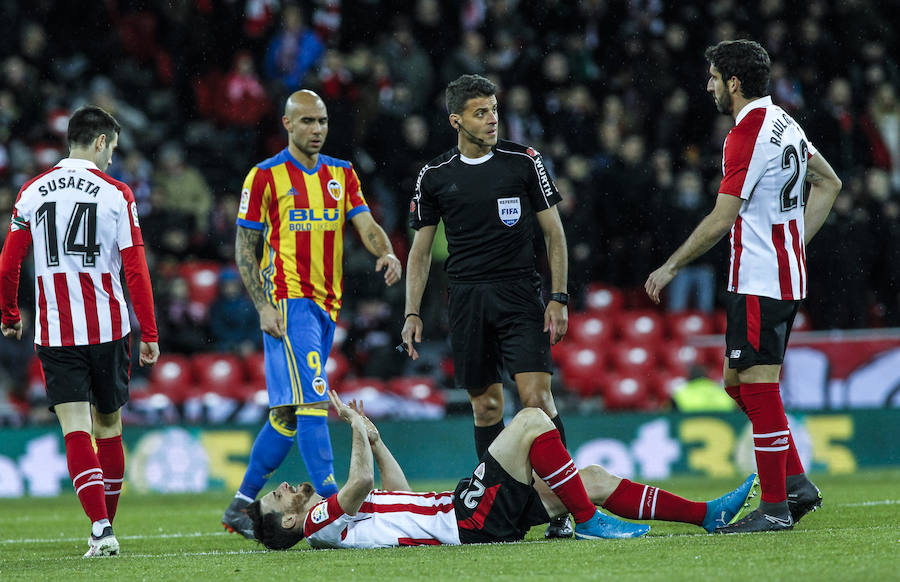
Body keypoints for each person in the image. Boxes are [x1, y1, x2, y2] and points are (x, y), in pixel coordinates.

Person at [645, 40, 842, 533]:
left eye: (713, 77)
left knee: (758, 387)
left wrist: (670, 266)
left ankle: (775, 507)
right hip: (777, 275)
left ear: (732, 82)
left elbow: (721, 218)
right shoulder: (783, 122)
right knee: (739, 384)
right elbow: (830, 182)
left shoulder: (748, 132)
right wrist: (794, 243)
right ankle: (795, 482)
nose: (708, 85)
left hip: (760, 279)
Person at [246, 390, 759, 550]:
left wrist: (376, 440)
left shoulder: (338, 522)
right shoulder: (319, 527)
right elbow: (358, 484)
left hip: (463, 511)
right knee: (532, 419)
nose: (285, 487)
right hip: (467, 521)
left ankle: (707, 516)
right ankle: (586, 522)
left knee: (594, 478)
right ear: (290, 521)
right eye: (278, 497)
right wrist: (355, 427)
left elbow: (395, 493)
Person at [222, 90, 402, 538]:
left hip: (326, 305)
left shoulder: (341, 173)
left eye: (321, 121)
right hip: (288, 302)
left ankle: (240, 506)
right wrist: (263, 305)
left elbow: (366, 225)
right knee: (313, 400)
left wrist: (387, 252)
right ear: (287, 124)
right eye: (307, 122)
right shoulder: (264, 177)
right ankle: (329, 498)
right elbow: (245, 247)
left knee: (285, 414)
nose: (317, 129)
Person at [400, 74, 573, 538]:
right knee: (486, 407)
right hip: (467, 299)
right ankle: (502, 510)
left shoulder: (524, 161)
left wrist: (558, 297)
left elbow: (554, 234)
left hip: (519, 293)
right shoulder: (434, 175)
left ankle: (561, 509)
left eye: (494, 110)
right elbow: (419, 251)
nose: (492, 119)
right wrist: (411, 312)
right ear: (457, 120)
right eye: (480, 113)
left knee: (536, 401)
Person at [0, 105, 160, 557]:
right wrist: (148, 331)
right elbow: (136, 269)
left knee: (75, 430)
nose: (112, 157)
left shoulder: (31, 191)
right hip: (109, 328)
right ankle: (105, 528)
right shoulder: (116, 193)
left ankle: (101, 529)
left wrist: (10, 314)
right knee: (108, 427)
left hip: (56, 331)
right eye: (112, 148)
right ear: (100, 142)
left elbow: (9, 262)